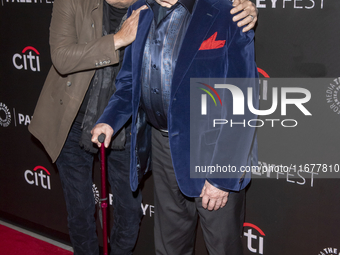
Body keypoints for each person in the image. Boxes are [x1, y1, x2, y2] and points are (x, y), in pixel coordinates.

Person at [28, 0, 258, 254]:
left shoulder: (228, 12)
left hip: (212, 152)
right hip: (162, 146)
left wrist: (221, 177)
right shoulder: (140, 12)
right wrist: (109, 119)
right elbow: (128, 83)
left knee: (222, 246)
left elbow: (243, 104)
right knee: (170, 245)